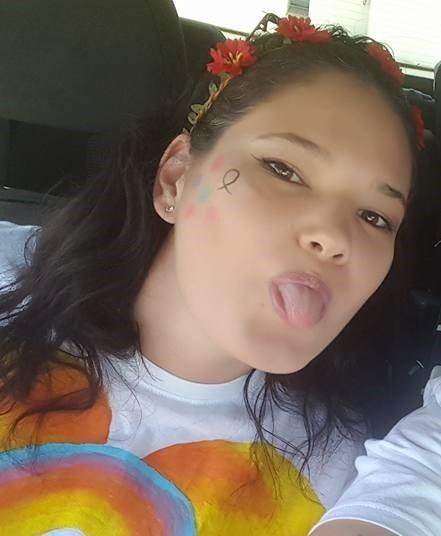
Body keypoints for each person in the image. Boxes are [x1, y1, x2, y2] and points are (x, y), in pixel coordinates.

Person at [0, 14, 424, 536]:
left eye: (375, 217)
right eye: (284, 170)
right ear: (176, 177)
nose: (335, 236)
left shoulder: (348, 485)